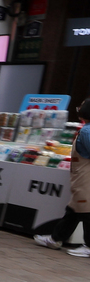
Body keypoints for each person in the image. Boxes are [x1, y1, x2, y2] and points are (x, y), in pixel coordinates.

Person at [35, 98, 90, 257]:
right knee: (73, 210)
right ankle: (55, 238)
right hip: (83, 177)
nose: (78, 108)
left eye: (80, 106)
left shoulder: (86, 131)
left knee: (86, 211)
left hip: (85, 178)